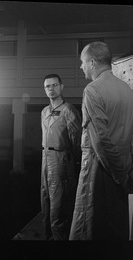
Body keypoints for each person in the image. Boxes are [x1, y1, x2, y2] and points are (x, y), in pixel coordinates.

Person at [69, 42, 133, 240]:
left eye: (82, 62)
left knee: (89, 229)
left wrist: (120, 176)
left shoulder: (92, 91)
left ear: (93, 62)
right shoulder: (128, 91)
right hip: (124, 172)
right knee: (115, 231)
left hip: (99, 172)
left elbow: (101, 141)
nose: (81, 67)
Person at [41, 73, 82, 240]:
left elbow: (77, 140)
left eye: (54, 85)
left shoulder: (69, 110)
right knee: (45, 198)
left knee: (59, 203)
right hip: (45, 156)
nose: (51, 89)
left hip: (61, 158)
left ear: (61, 87)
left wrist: (74, 162)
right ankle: (47, 236)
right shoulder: (44, 111)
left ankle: (60, 237)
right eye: (47, 86)